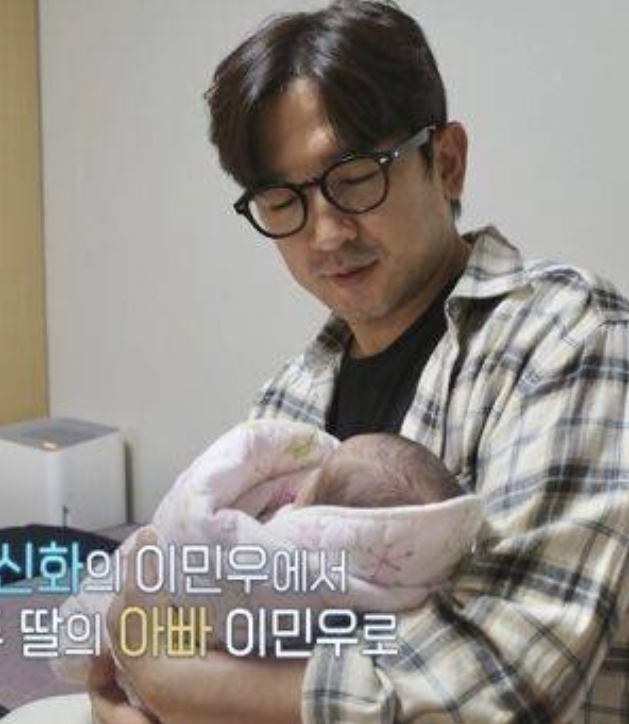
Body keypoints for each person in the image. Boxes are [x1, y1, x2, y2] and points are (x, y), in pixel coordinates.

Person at [88, 1, 629, 723]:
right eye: (282, 199)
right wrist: (131, 690)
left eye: (354, 175)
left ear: (446, 162)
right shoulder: (289, 403)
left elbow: (501, 685)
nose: (326, 233)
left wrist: (172, 683)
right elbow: (200, 602)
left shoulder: (567, 336)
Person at [54, 420, 481, 706]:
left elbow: (195, 534)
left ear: (315, 512)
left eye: (313, 480)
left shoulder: (282, 547)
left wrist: (165, 681)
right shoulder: (399, 581)